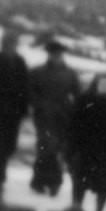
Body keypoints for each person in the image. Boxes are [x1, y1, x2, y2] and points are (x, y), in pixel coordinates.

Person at [26, 38, 79, 197]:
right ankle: (41, 182)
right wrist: (40, 105)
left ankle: (53, 182)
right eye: (53, 53)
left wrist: (76, 112)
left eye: (59, 54)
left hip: (63, 117)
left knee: (59, 149)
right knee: (45, 147)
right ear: (48, 54)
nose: (56, 56)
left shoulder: (70, 74)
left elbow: (77, 94)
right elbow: (29, 93)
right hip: (44, 117)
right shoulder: (37, 72)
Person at [67, 73, 106, 211]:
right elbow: (73, 126)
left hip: (104, 151)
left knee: (105, 186)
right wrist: (71, 152)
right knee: (79, 185)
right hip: (84, 148)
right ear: (95, 84)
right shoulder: (83, 99)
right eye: (103, 84)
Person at [0, 30, 29, 192]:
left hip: (13, 114)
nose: (12, 47)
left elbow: (25, 87)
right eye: (9, 44)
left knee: (8, 146)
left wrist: (24, 109)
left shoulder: (20, 62)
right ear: (3, 44)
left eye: (14, 44)